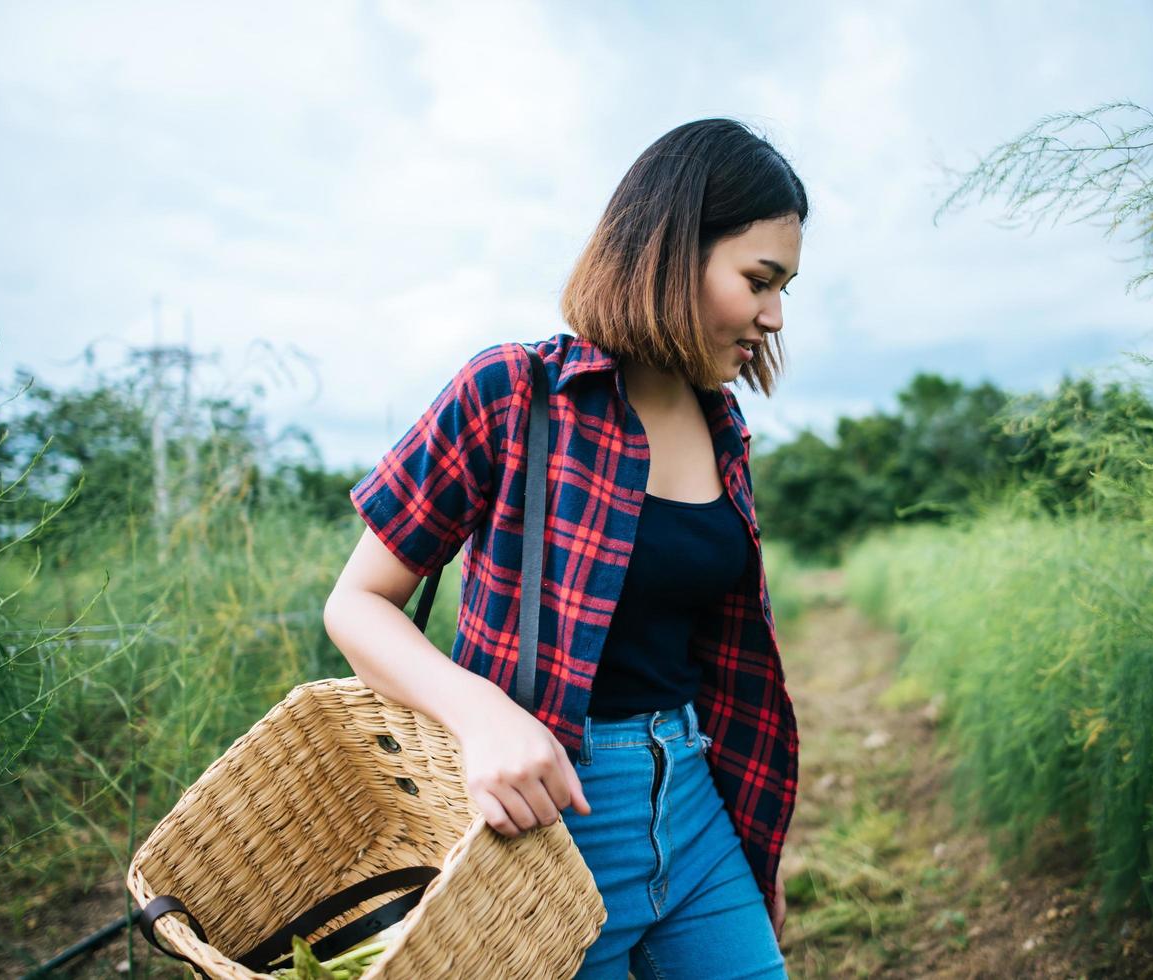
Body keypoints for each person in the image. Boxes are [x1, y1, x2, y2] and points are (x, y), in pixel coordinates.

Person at [323, 117, 805, 979]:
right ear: (668, 254)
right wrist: (480, 716)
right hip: (547, 828)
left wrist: (750, 848)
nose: (773, 316)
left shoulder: (722, 424)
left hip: (696, 810)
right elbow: (355, 604)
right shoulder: (514, 392)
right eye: (758, 280)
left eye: (784, 289)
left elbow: (715, 657)